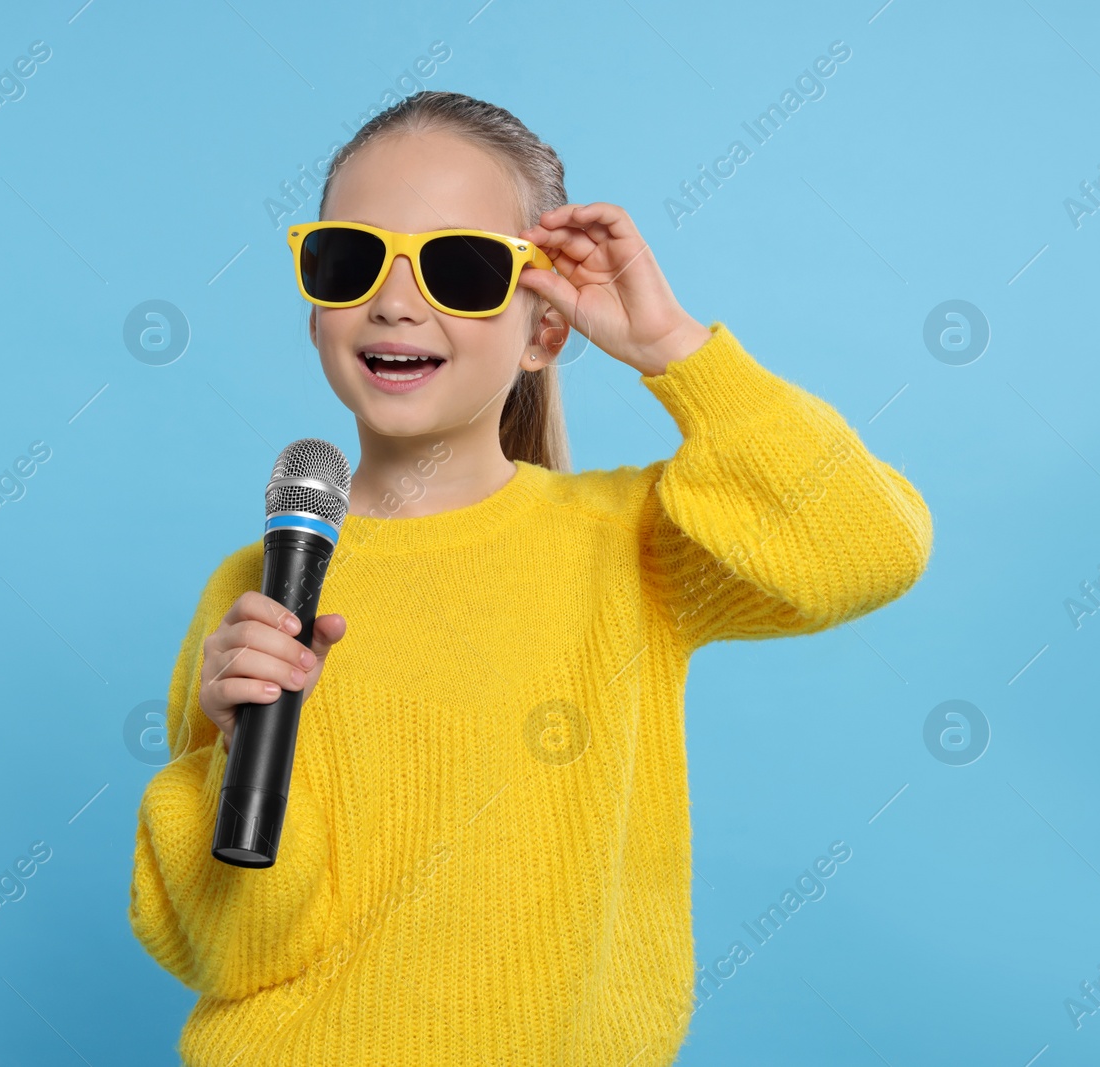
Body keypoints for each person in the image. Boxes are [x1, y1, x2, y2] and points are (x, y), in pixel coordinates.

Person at [127, 89, 933, 1066]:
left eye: (458, 268)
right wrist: (233, 751)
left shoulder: (628, 543)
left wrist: (674, 348)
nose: (394, 300)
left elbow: (867, 546)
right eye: (351, 260)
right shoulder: (256, 584)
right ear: (314, 308)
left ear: (543, 329)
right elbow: (234, 947)